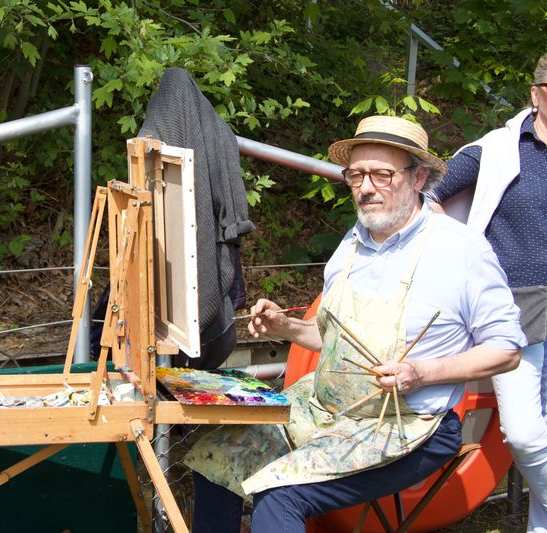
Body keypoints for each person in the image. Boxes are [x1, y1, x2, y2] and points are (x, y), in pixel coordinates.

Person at [184, 115, 526, 533]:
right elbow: (333, 339)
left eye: (382, 175)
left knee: (280, 495)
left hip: (409, 428)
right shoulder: (352, 244)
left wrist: (422, 373)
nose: (365, 188)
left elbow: (507, 348)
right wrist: (286, 328)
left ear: (418, 177)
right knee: (215, 460)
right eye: (356, 175)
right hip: (325, 412)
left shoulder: (461, 250)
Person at [427, 53, 547, 533]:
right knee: (522, 433)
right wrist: (465, 261)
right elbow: (426, 199)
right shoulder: (495, 151)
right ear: (538, 93)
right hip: (514, 312)